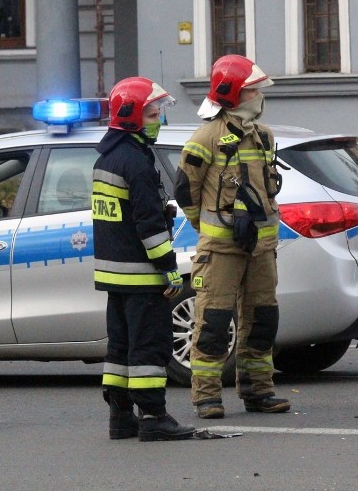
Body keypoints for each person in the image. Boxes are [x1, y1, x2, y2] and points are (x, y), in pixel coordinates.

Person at [174, 54, 290, 419]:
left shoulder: (263, 136)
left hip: (262, 249)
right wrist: (205, 227)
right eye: (255, 91)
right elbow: (185, 191)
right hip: (220, 251)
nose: (260, 97)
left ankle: (258, 390)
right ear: (236, 95)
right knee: (213, 323)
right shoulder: (206, 138)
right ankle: (206, 396)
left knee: (262, 320)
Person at [93, 76, 195, 442]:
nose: (159, 121)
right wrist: (169, 269)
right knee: (150, 346)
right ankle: (153, 416)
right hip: (141, 275)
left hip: (114, 276)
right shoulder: (136, 161)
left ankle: (121, 417)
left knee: (120, 348)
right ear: (132, 117)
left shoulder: (108, 157)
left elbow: (118, 219)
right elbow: (148, 225)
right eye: (153, 114)